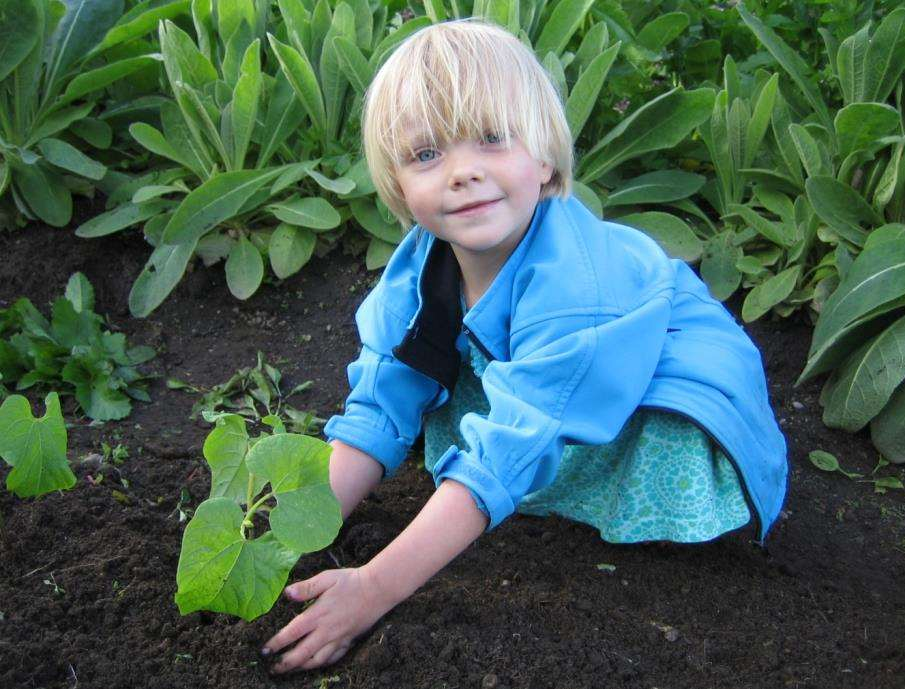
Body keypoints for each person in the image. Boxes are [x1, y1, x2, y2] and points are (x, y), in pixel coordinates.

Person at [261, 18, 787, 673]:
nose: (462, 173)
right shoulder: (419, 264)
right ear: (398, 185)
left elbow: (514, 444)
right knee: (437, 390)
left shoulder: (575, 284)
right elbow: (381, 400)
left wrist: (373, 588)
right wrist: (280, 540)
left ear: (543, 158)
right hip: (558, 372)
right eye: (427, 155)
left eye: (491, 139)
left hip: (672, 387)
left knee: (557, 449)